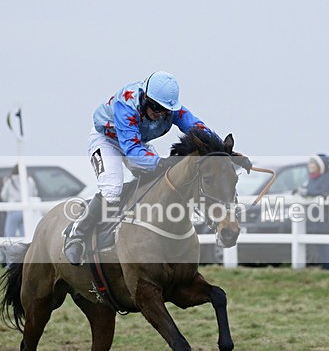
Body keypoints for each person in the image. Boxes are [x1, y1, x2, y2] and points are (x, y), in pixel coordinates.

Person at [62, 71, 224, 265]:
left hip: (135, 141)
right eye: (156, 107)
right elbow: (131, 150)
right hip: (107, 140)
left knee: (160, 182)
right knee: (112, 190)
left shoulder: (171, 109)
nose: (160, 113)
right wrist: (161, 163)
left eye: (165, 109)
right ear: (145, 97)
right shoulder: (126, 105)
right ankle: (76, 234)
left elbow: (197, 129)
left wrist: (222, 151)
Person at [301, 155, 329, 269]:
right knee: (318, 242)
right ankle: (323, 265)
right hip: (314, 215)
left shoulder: (327, 177)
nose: (310, 166)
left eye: (313, 163)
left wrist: (307, 192)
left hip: (325, 215)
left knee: (326, 242)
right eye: (310, 163)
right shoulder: (311, 178)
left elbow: (322, 191)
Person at [1, 165, 38, 238]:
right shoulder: (29, 180)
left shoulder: (9, 181)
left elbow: (3, 196)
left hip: (13, 210)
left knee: (10, 235)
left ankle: (10, 249)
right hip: (26, 211)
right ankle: (23, 249)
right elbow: (35, 193)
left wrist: (4, 184)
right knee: (24, 234)